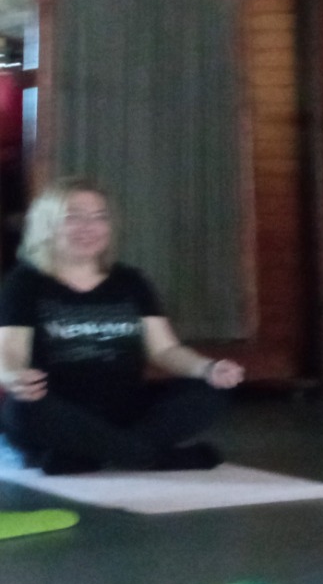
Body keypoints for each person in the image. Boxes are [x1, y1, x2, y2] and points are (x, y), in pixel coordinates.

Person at [0, 180, 242, 473]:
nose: (89, 227)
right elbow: (9, 351)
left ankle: (91, 454)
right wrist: (12, 376)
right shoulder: (24, 283)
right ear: (47, 225)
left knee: (208, 390)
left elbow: (165, 351)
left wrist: (208, 368)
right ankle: (153, 457)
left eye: (99, 217)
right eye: (74, 217)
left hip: (126, 409)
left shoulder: (131, 281)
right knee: (21, 408)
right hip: (59, 410)